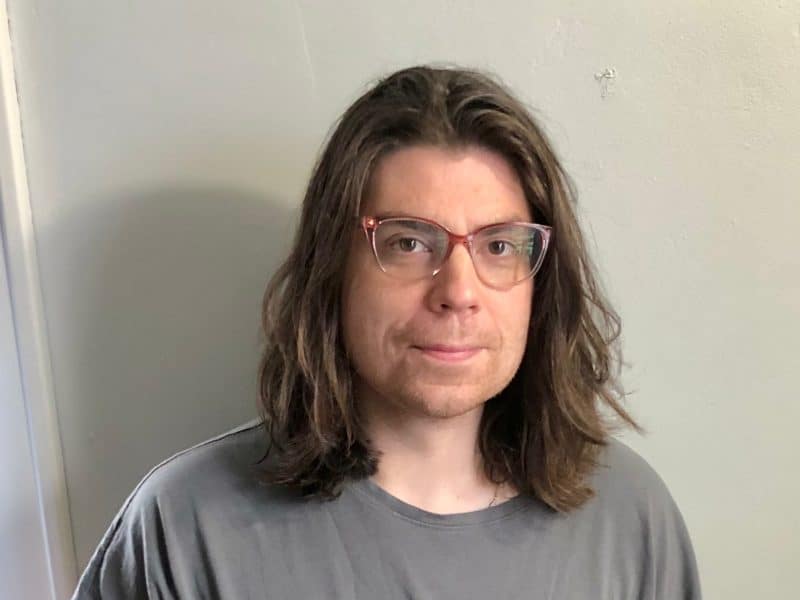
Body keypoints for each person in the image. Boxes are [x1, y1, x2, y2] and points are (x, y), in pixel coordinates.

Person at [72, 65, 701, 599]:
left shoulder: (629, 518)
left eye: (499, 245)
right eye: (408, 242)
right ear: (333, 267)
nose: (458, 292)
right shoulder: (185, 530)